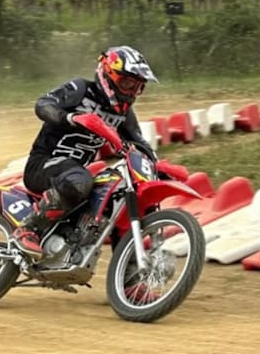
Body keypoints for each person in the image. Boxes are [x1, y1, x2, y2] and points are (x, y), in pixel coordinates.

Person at [12, 45, 159, 260]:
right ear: (108, 74)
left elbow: (140, 143)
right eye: (127, 83)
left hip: (73, 173)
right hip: (43, 164)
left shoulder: (124, 115)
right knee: (80, 180)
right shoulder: (81, 89)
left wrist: (158, 165)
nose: (131, 92)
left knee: (119, 198)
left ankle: (130, 278)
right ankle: (29, 228)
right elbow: (43, 104)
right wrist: (69, 118)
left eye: (137, 87)